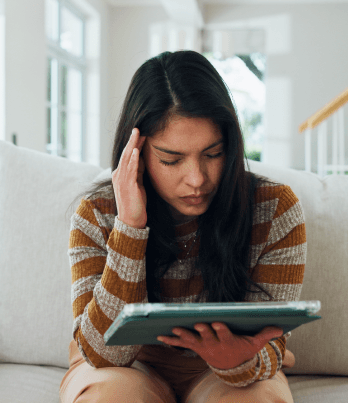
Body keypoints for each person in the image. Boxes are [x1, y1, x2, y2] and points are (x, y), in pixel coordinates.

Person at [59, 50, 306, 403]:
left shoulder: (275, 209)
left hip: (226, 370)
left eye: (213, 154)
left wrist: (238, 360)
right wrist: (130, 227)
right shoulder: (97, 213)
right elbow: (102, 353)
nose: (197, 179)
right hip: (127, 366)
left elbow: (271, 345)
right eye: (171, 160)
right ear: (137, 153)